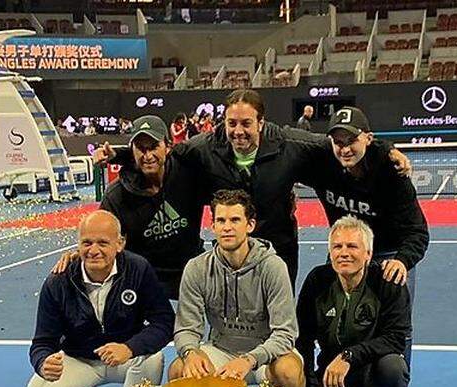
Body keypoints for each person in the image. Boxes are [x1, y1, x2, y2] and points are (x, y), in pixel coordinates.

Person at [98, 89, 410, 287]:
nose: (238, 131)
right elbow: (160, 153)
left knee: (281, 321)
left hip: (279, 250)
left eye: (246, 123)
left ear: (260, 122)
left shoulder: (291, 144)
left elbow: (340, 143)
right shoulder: (202, 148)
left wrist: (385, 149)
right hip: (231, 250)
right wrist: (122, 153)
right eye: (232, 123)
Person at [307, 106, 428, 387]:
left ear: (368, 139)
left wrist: (403, 261)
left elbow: (418, 231)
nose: (344, 148)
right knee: (339, 318)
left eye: (351, 140)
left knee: (398, 326)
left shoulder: (392, 175)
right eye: (338, 141)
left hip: (389, 253)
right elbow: (291, 139)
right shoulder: (324, 162)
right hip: (347, 248)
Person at [24, 210, 174, 387]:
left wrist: (130, 347)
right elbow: (42, 342)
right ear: (78, 244)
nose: (94, 250)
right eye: (87, 242)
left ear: (120, 243)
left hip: (124, 359)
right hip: (80, 359)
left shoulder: (138, 269)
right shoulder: (58, 282)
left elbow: (164, 322)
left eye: (103, 243)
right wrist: (42, 362)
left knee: (153, 359)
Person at [169, 189, 306, 387]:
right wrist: (190, 352)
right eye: (221, 221)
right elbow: (186, 328)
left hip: (264, 353)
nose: (227, 228)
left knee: (290, 372)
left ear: (250, 225)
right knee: (178, 370)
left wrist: (250, 359)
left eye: (235, 220)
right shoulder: (196, 269)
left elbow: (286, 333)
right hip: (221, 349)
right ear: (213, 226)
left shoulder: (273, 266)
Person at [287, 216, 411, 387]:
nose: (344, 253)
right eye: (337, 246)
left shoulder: (388, 282)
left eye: (352, 247)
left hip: (371, 372)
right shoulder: (317, 281)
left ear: (368, 253)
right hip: (332, 380)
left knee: (393, 368)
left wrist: (349, 356)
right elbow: (304, 340)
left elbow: (396, 338)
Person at [57, 115, 205, 299]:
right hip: (146, 282)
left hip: (192, 273)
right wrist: (79, 253)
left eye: (153, 147)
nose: (148, 155)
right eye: (141, 149)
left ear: (167, 147)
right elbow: (100, 232)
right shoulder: (116, 195)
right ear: (132, 151)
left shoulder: (189, 175)